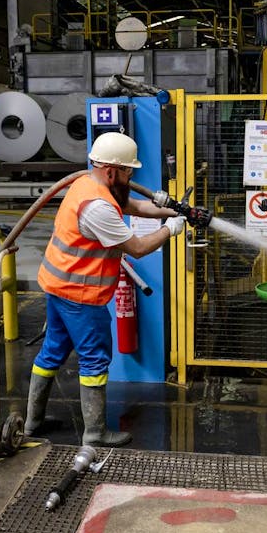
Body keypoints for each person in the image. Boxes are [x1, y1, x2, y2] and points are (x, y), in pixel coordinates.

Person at [26, 132, 186, 447]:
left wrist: (171, 211)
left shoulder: (88, 185)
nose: (131, 176)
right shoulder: (98, 208)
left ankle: (32, 423)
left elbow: (132, 205)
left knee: (52, 352)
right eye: (128, 171)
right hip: (81, 297)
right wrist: (170, 230)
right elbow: (138, 247)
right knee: (95, 360)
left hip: (58, 286)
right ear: (112, 170)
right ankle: (96, 432)